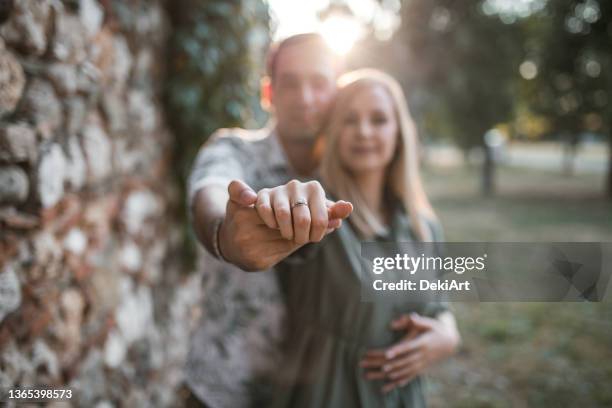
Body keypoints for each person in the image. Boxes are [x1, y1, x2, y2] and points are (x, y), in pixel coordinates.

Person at [253, 69, 461, 407]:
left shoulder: (423, 225)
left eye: (378, 119)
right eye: (350, 120)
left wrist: (448, 333)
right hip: (325, 394)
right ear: (333, 131)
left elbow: (438, 307)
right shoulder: (319, 215)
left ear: (399, 133)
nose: (364, 131)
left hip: (402, 398)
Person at [185, 33, 352, 408]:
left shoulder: (355, 170)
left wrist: (443, 325)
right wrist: (225, 236)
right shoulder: (231, 150)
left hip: (320, 395)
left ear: (336, 93)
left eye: (319, 83)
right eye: (290, 83)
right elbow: (209, 196)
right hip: (222, 391)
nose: (305, 98)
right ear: (268, 93)